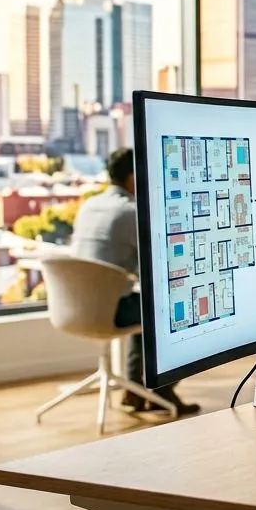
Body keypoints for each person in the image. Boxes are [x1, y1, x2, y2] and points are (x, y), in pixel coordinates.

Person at [71, 148, 198, 415]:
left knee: (144, 308)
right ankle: (162, 390)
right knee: (176, 312)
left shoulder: (89, 205)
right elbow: (157, 266)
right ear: (132, 177)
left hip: (72, 308)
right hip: (108, 310)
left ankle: (134, 392)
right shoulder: (130, 212)